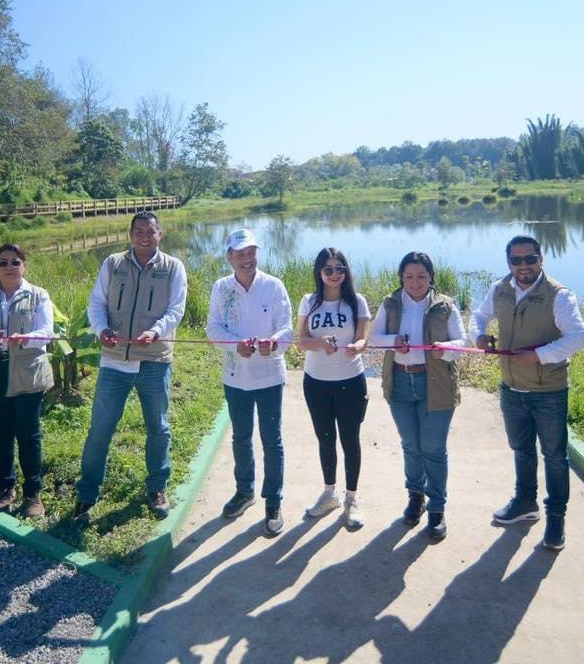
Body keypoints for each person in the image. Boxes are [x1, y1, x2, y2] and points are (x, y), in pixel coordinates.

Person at [472, 235, 584, 551]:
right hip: (511, 388)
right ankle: (525, 503)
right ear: (508, 262)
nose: (523, 266)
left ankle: (556, 518)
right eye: (516, 260)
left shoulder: (559, 296)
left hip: (548, 390)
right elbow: (479, 316)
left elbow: (577, 337)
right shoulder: (500, 289)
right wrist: (480, 335)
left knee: (554, 456)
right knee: (521, 449)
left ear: (541, 259)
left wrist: (538, 355)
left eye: (529, 259)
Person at [75, 211, 187, 524]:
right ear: (129, 234)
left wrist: (156, 331)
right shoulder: (112, 263)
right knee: (100, 429)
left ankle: (157, 487)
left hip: (154, 360)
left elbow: (176, 309)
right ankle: (86, 495)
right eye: (138, 231)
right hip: (114, 362)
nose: (143, 237)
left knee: (158, 428)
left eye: (150, 231)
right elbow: (96, 303)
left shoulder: (173, 267)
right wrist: (101, 330)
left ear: (160, 234)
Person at [370, 251, 467, 542]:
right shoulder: (390, 304)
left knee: (433, 448)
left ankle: (437, 508)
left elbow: (462, 343)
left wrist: (445, 349)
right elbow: (374, 338)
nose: (415, 283)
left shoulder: (445, 306)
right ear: (401, 277)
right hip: (400, 383)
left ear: (431, 278)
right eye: (409, 276)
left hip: (435, 383)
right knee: (411, 445)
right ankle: (416, 497)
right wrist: (393, 342)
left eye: (421, 276)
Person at [207, 227, 294, 537]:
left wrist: (273, 343)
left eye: (252, 252)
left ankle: (273, 501)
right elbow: (213, 330)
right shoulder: (221, 288)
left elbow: (287, 331)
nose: (247, 259)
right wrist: (236, 345)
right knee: (241, 437)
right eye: (240, 253)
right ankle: (244, 492)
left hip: (270, 376)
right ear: (230, 257)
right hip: (235, 377)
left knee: (272, 439)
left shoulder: (274, 286)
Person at [0, 242, 54, 518]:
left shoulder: (38, 295)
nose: (9, 267)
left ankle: (32, 494)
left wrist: (25, 338)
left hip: (28, 373)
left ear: (24, 265)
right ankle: (5, 490)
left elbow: (47, 333)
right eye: (3, 262)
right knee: (0, 435)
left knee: (29, 434)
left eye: (15, 262)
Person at [295, 247, 371, 530]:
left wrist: (357, 346)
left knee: (350, 440)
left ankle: (351, 499)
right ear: (319, 272)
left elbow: (363, 338)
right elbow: (301, 340)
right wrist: (319, 344)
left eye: (340, 268)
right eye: (328, 269)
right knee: (325, 439)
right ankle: (330, 494)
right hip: (316, 383)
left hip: (350, 381)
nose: (335, 274)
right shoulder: (309, 301)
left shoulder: (357, 302)